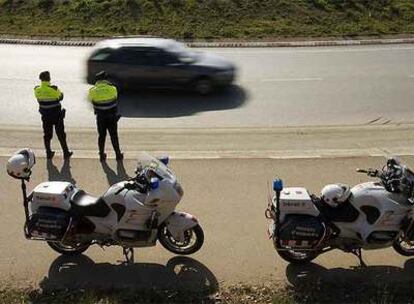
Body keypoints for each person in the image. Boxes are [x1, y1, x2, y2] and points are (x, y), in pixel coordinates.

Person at [34, 71, 73, 159]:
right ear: (49, 78)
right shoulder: (54, 89)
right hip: (57, 116)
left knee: (47, 135)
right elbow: (61, 97)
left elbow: (38, 99)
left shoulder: (37, 90)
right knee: (61, 134)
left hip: (45, 116)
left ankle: (48, 153)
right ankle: (66, 153)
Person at [88, 71, 123, 161]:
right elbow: (115, 98)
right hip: (112, 117)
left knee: (101, 136)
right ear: (105, 79)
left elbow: (90, 100)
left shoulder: (92, 91)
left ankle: (101, 155)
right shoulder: (113, 89)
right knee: (114, 136)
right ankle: (118, 154)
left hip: (100, 117)